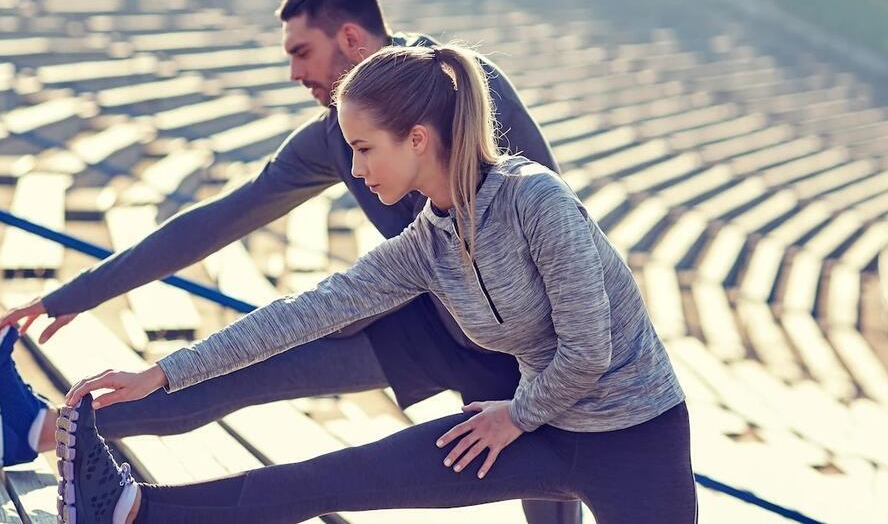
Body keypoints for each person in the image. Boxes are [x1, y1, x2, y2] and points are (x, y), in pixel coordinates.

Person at [0, 0, 580, 522]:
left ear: (349, 38)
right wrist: (76, 295)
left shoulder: (463, 86)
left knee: (553, 492)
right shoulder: (329, 138)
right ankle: (37, 431)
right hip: (422, 324)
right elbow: (217, 221)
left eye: (302, 52)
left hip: (522, 339)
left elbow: (547, 215)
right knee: (239, 372)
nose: (294, 72)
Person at [53, 43, 696, 524]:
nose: (356, 171)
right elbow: (303, 314)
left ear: (417, 139)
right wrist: (162, 373)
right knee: (331, 479)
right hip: (533, 431)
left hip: (634, 439)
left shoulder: (536, 201)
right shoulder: (426, 243)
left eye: (364, 149)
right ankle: (132, 512)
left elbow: (591, 349)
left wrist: (516, 416)